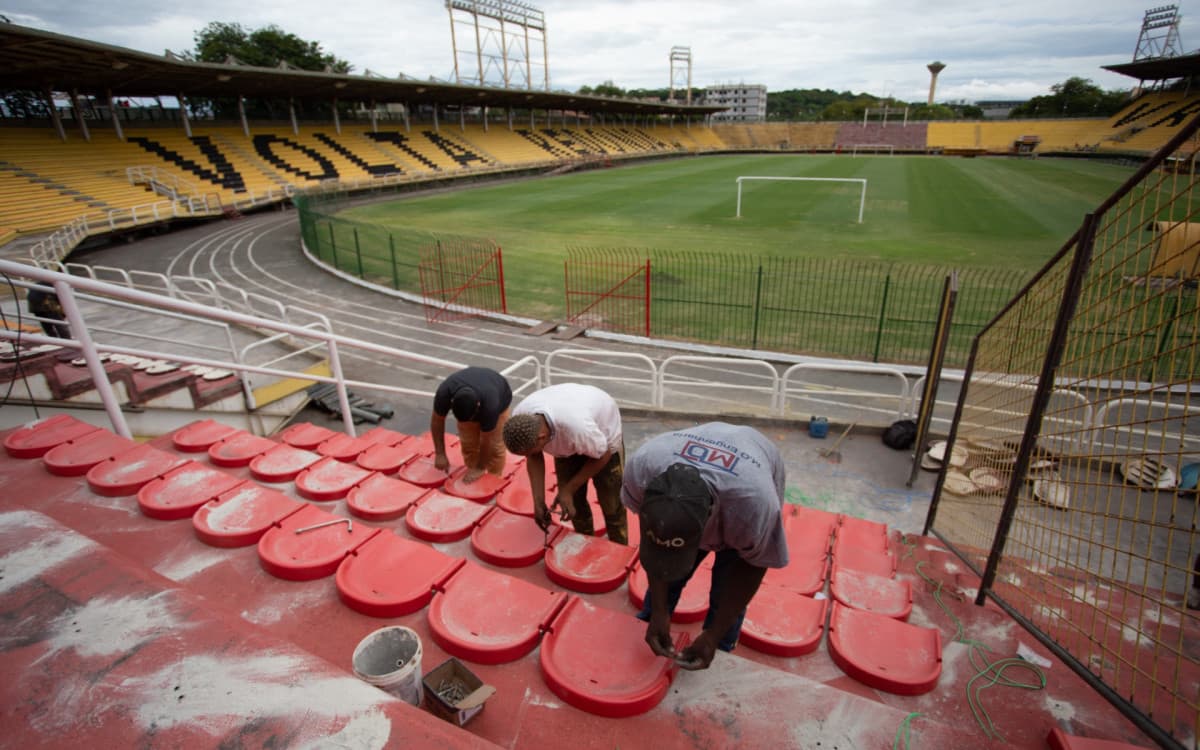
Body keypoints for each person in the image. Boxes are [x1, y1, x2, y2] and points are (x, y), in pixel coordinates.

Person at [622, 422, 788, 671]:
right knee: (669, 573)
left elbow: (752, 568)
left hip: (747, 476)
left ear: (709, 519)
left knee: (725, 589)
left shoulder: (753, 505)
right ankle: (654, 620)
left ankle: (719, 646)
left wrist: (713, 635)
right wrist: (659, 611)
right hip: (705, 477)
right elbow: (654, 543)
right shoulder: (642, 468)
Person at [502, 383, 626, 544]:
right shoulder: (522, 417)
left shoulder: (578, 427)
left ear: (541, 438)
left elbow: (603, 455)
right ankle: (586, 543)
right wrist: (538, 502)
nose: (530, 456)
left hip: (603, 444)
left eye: (530, 452)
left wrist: (568, 488)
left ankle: (619, 546)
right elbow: (534, 457)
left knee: (611, 503)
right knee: (572, 503)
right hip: (567, 443)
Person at [431, 366, 512, 483]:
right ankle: (472, 472)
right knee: (469, 444)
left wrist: (480, 468)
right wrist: (440, 454)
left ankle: (494, 479)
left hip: (499, 397)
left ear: (478, 406)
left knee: (495, 449)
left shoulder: (491, 406)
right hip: (475, 394)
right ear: (452, 402)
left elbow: (487, 440)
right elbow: (437, 421)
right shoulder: (445, 392)